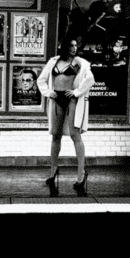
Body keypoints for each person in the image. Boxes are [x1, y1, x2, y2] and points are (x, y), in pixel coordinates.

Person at [37, 37, 96, 197]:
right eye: (71, 45)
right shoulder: (53, 62)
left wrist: (77, 92)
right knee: (55, 135)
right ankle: (52, 171)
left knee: (75, 136)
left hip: (71, 100)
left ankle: (81, 175)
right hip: (57, 98)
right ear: (64, 47)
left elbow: (90, 79)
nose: (74, 48)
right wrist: (49, 93)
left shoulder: (78, 62)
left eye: (76, 45)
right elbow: (41, 79)